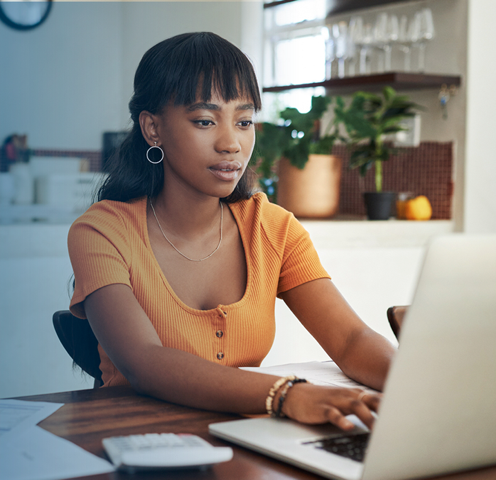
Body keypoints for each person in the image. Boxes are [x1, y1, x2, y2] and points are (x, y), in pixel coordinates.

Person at [68, 32, 395, 431]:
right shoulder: (102, 231)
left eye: (244, 121)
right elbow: (144, 362)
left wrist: (417, 384)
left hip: (247, 443)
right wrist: (285, 394)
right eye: (205, 121)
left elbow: (350, 341)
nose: (231, 144)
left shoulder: (272, 229)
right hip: (133, 448)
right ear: (153, 129)